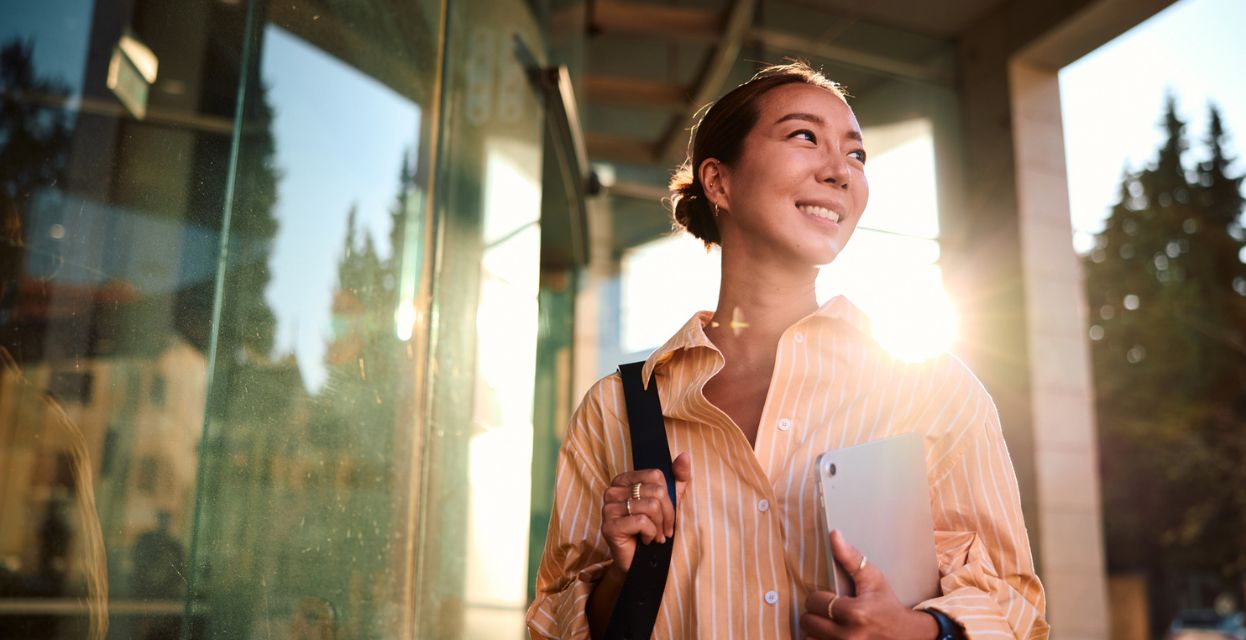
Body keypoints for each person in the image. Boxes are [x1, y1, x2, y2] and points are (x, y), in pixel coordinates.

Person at [526, 61, 1049, 639]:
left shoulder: (931, 388)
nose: (840, 171)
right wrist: (627, 576)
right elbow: (551, 625)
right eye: (805, 136)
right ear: (719, 181)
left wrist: (918, 633)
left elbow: (1013, 608)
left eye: (856, 154)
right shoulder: (615, 410)